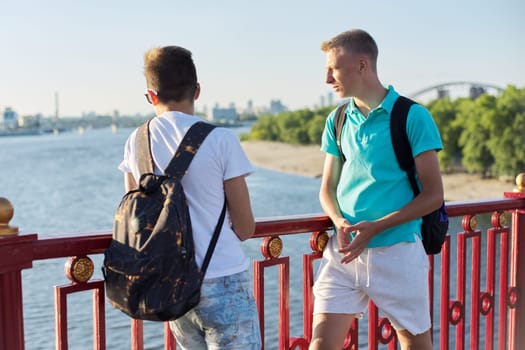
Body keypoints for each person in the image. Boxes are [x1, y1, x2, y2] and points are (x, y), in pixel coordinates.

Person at [118, 45, 261, 350]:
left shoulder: (136, 142)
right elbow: (246, 227)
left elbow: (134, 217)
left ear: (151, 96)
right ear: (197, 90)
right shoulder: (221, 139)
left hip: (170, 284)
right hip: (222, 276)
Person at [310, 29, 444, 350]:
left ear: (361, 65)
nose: (328, 79)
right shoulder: (338, 119)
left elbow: (433, 195)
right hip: (343, 255)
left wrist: (377, 228)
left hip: (397, 252)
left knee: (416, 345)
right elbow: (326, 188)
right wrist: (339, 221)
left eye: (334, 69)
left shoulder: (413, 116)